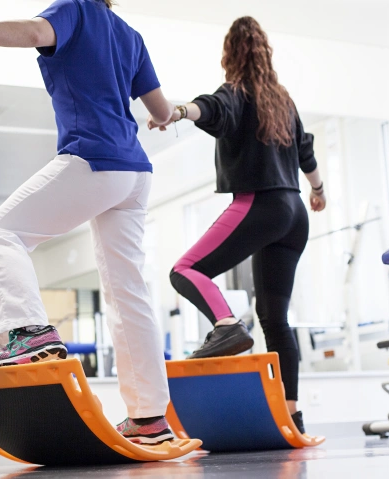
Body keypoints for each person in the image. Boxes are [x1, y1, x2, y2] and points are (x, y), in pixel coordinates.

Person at [0, 0, 177, 444]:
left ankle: (30, 332)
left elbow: (35, 33)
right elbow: (162, 110)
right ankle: (150, 417)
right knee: (127, 292)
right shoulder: (130, 36)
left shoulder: (74, 9)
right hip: (136, 174)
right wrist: (171, 114)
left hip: (94, 159)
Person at [148, 16, 327, 434]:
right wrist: (319, 190)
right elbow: (305, 150)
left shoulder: (236, 91)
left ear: (230, 54)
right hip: (295, 212)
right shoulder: (282, 100)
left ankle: (227, 326)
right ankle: (292, 416)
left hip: (260, 203)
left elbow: (212, 109)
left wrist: (177, 112)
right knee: (275, 319)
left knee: (184, 270)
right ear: (265, 53)